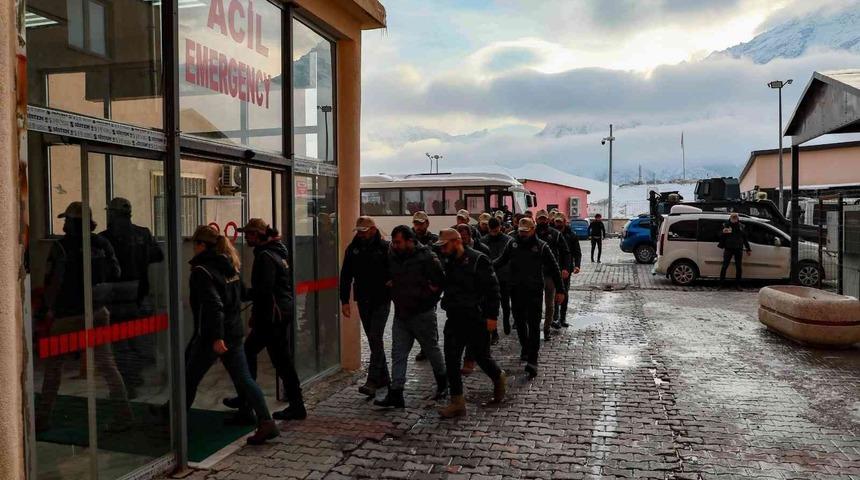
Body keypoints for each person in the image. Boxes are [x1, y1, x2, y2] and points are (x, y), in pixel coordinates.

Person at [37, 202, 131, 432]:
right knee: (108, 365)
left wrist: (47, 310)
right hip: (98, 311)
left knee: (53, 368)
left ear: (72, 223)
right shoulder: (102, 244)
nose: (63, 224)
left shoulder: (60, 247)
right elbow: (116, 273)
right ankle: (124, 415)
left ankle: (42, 419)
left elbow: (52, 283)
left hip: (67, 315)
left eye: (66, 220)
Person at [184, 225, 278, 445]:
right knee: (243, 378)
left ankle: (176, 424)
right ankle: (266, 422)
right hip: (233, 332)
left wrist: (216, 337)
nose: (193, 248)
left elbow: (213, 306)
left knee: (188, 379)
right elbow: (244, 294)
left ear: (201, 245)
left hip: (212, 336)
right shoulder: (228, 266)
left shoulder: (202, 271)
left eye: (194, 244)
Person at [222, 219, 306, 421]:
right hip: (278, 313)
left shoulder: (265, 256)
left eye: (250, 234)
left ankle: (249, 402)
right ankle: (250, 399)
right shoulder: (276, 251)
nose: (247, 237)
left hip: (271, 317)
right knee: (275, 359)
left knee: (270, 358)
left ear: (259, 235)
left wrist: (244, 295)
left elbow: (264, 291)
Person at [435, 229, 507, 418]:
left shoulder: (478, 259)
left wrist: (492, 317)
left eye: (445, 245)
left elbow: (493, 289)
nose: (442, 250)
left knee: (482, 358)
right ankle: (457, 402)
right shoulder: (448, 260)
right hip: (455, 317)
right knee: (451, 360)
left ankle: (499, 377)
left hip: (476, 318)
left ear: (456, 242)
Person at [375, 226, 447, 408]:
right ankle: (396, 392)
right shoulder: (393, 255)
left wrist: (426, 298)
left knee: (431, 350)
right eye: (394, 242)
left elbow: (439, 282)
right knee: (398, 354)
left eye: (398, 242)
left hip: (422, 313)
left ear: (409, 240)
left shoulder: (426, 257)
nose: (395, 245)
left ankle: (443, 383)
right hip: (401, 313)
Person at [99, 197, 164, 399]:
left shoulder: (105, 238)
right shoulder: (143, 234)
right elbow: (158, 255)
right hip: (141, 294)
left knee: (120, 343)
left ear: (112, 214)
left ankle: (128, 384)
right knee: (137, 339)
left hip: (116, 296)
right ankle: (135, 376)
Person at [494, 218, 564, 378]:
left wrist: (560, 290)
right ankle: (525, 347)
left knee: (533, 325)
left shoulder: (541, 246)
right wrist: (485, 265)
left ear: (533, 230)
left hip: (534, 291)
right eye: (521, 231)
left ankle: (533, 360)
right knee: (519, 323)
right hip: (516, 290)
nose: (523, 234)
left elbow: (554, 268)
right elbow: (500, 261)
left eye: (526, 231)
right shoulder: (512, 245)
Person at [340, 216, 392, 397]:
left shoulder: (385, 248)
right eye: (359, 232)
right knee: (372, 338)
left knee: (376, 337)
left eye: (364, 231)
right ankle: (384, 377)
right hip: (363, 299)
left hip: (381, 299)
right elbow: (346, 276)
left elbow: (395, 271)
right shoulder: (353, 249)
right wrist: (344, 301)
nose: (361, 235)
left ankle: (373, 380)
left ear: (372, 230)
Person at [535, 210, 570, 341]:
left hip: (550, 273)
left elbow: (566, 252)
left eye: (544, 219)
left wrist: (566, 267)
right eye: (540, 219)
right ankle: (534, 328)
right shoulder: (532, 233)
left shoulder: (555, 234)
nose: (542, 221)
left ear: (548, 219)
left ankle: (547, 328)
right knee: (535, 304)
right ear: (536, 219)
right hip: (535, 274)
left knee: (550, 304)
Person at [411, 211, 437, 363]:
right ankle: (424, 346)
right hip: (413, 286)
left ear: (427, 223)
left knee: (429, 319)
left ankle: (429, 348)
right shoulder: (410, 239)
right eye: (416, 223)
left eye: (421, 223)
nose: (418, 226)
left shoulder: (433, 240)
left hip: (428, 286)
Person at [483, 217, 513, 335]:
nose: (494, 232)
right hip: (491, 277)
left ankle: (506, 322)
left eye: (496, 230)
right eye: (493, 230)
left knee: (505, 303)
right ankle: (494, 331)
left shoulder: (508, 240)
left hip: (504, 277)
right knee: (491, 306)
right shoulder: (484, 241)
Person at [553, 212, 582, 328]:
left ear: (565, 222)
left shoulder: (571, 235)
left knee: (564, 292)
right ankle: (555, 317)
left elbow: (577, 252)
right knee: (554, 292)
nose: (558, 223)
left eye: (560, 221)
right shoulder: (552, 233)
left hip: (566, 268)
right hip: (553, 267)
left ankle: (562, 317)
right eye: (557, 221)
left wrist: (577, 265)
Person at [719, 213, 751, 290]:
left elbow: (745, 238)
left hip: (738, 248)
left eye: (735, 217)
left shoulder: (741, 226)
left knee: (739, 267)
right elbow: (718, 235)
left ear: (737, 218)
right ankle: (721, 284)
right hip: (728, 248)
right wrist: (723, 232)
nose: (734, 218)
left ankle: (738, 285)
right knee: (724, 266)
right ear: (730, 218)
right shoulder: (725, 225)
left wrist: (748, 249)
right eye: (733, 217)